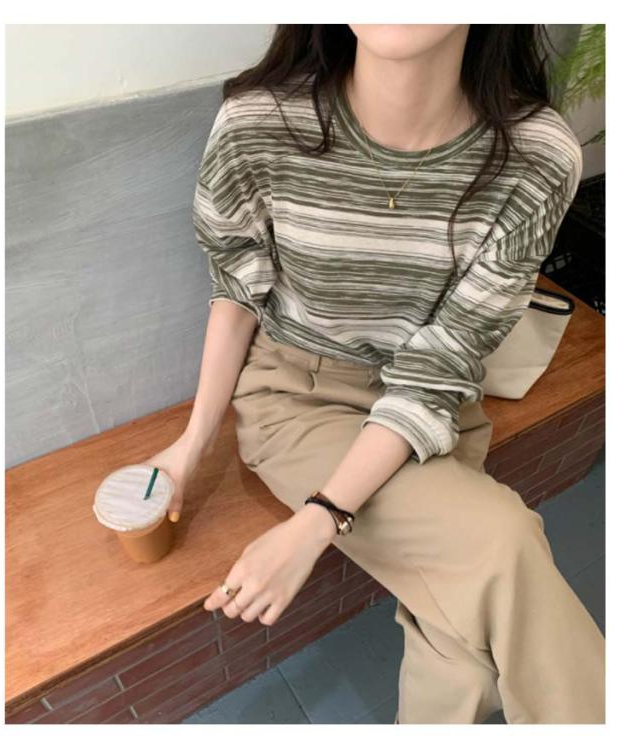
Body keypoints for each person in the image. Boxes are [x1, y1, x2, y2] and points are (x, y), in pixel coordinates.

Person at [147, 25, 605, 724]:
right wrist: (192, 442)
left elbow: (446, 358)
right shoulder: (260, 123)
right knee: (503, 542)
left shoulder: (536, 157)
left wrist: (319, 520)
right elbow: (237, 290)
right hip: (295, 398)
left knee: (459, 641)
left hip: (431, 404)